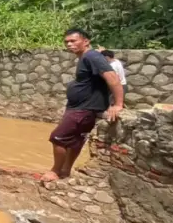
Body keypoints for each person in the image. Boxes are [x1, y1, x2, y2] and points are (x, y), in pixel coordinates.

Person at [41, 28, 124, 183]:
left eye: (73, 41)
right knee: (75, 140)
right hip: (79, 107)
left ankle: (55, 171)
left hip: (84, 109)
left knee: (57, 138)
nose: (69, 44)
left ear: (86, 41)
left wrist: (118, 104)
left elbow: (112, 78)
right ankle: (65, 170)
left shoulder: (92, 56)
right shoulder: (86, 57)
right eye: (66, 42)